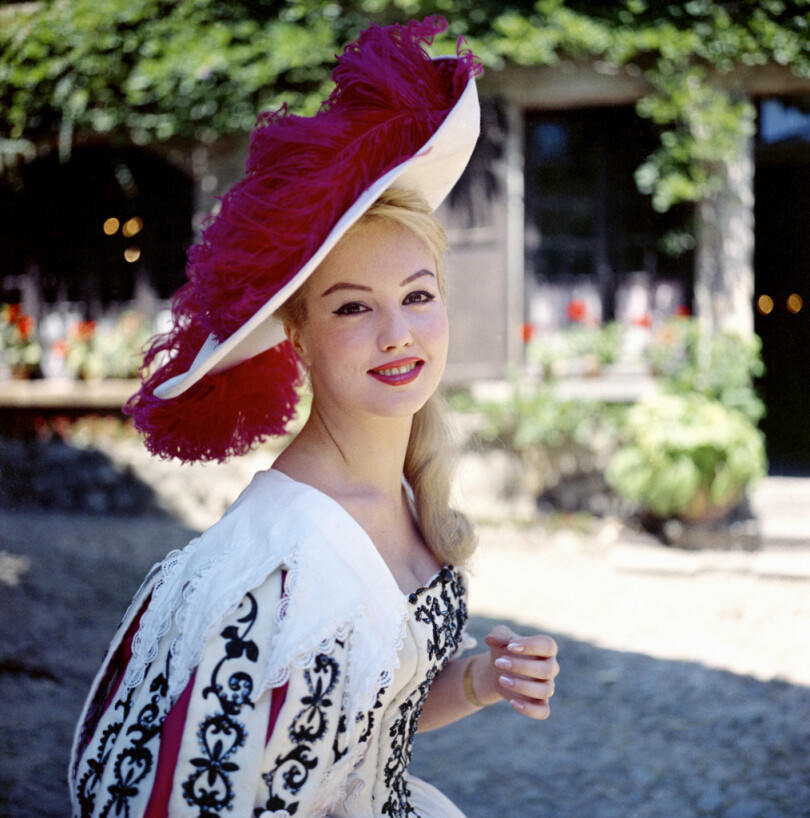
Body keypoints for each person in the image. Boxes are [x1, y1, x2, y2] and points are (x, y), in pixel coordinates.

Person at [69, 17, 559, 818]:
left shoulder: (399, 490)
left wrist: (474, 680)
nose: (396, 332)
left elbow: (362, 719)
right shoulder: (280, 571)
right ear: (297, 333)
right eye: (352, 307)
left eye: (417, 296)